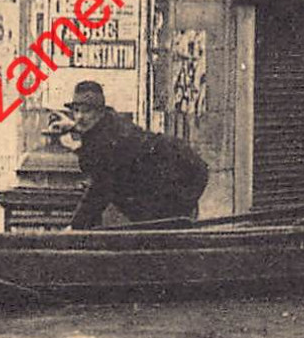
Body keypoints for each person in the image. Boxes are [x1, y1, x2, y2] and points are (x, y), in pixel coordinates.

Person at [62, 80, 210, 229]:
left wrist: (74, 227)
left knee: (155, 230)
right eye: (76, 110)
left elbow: (99, 190)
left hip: (181, 179)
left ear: (100, 112)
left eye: (87, 111)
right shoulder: (109, 123)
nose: (79, 117)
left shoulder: (112, 139)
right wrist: (74, 128)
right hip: (174, 175)